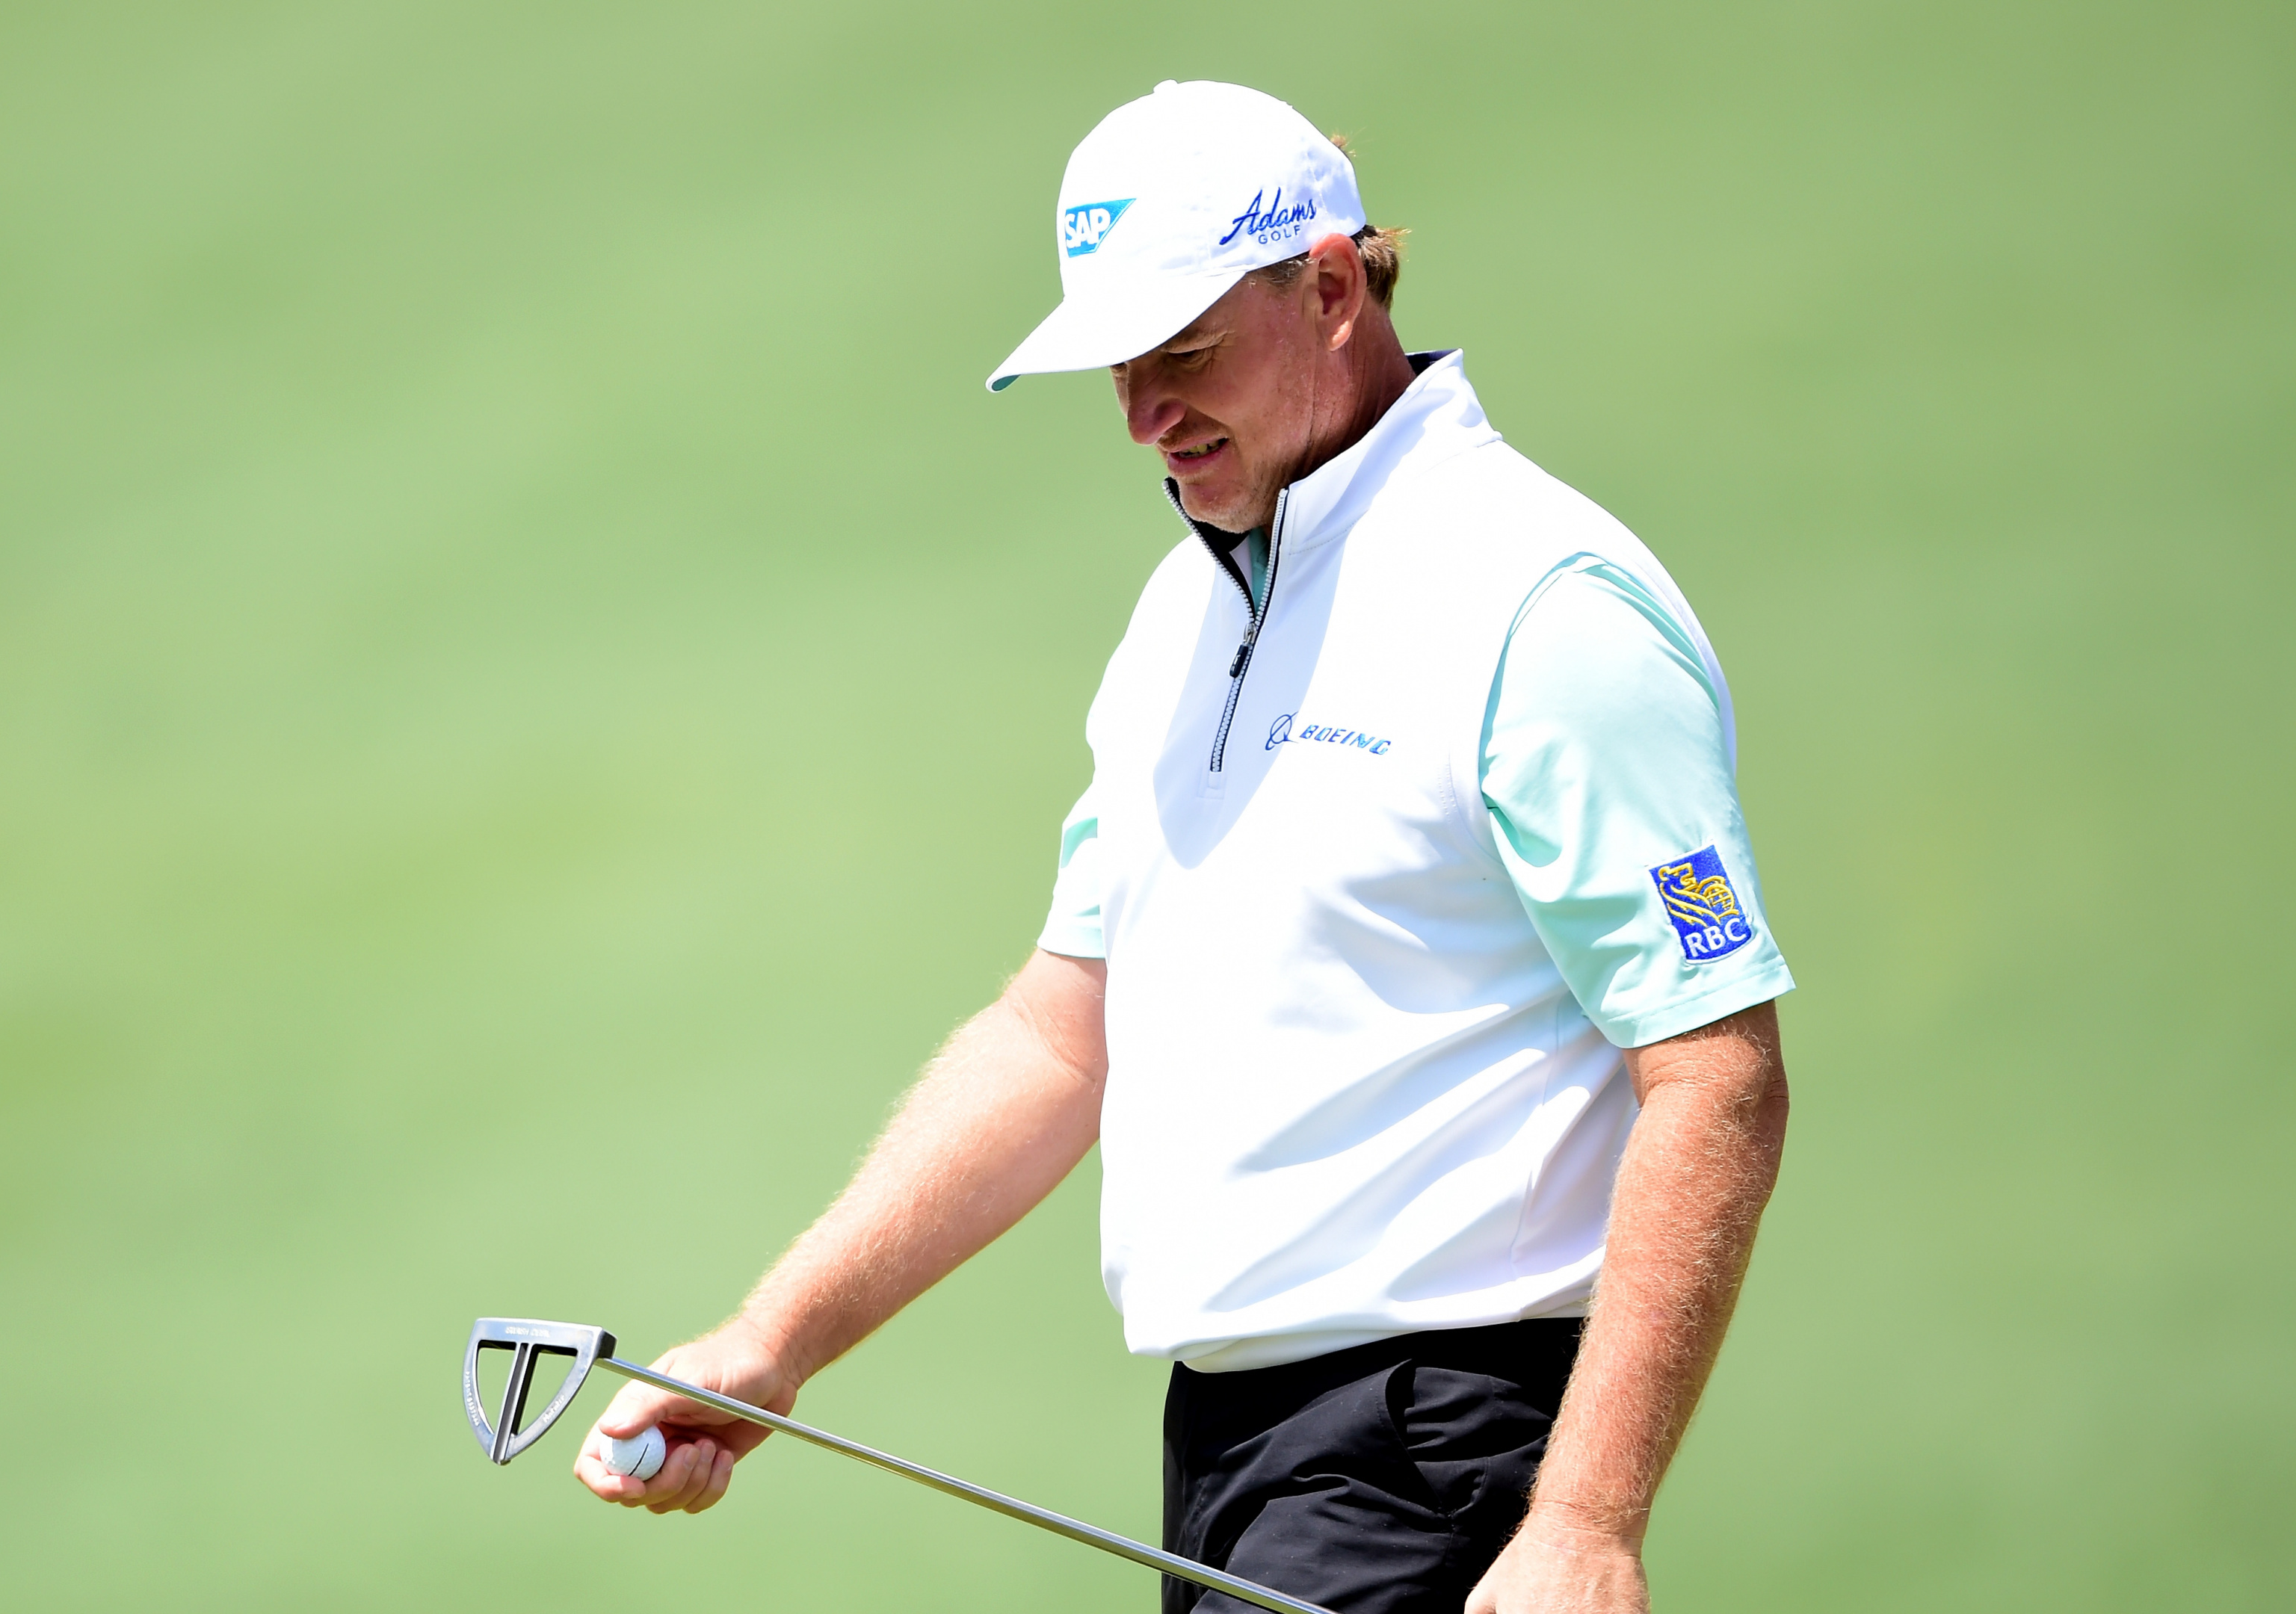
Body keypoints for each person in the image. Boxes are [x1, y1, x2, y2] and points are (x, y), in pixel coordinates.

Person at [574, 80, 1794, 1614]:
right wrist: (775, 1341)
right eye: (1120, 367)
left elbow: (1715, 1072)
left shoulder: (1542, 605)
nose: (1147, 413)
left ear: (1333, 286)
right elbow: (1058, 1035)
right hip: (1228, 1445)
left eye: (1188, 352)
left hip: (1442, 1444)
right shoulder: (1185, 612)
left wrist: (1586, 1524)